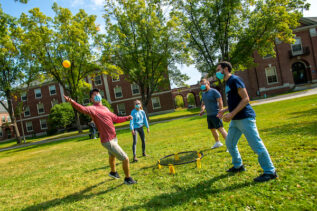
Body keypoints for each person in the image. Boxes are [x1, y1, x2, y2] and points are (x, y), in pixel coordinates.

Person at [216, 61, 277, 182]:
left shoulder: (235, 79)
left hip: (245, 117)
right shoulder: (228, 82)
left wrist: (232, 114)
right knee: (230, 143)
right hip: (236, 119)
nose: (217, 73)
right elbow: (235, 101)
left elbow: (245, 99)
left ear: (226, 69)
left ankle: (270, 171)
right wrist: (225, 109)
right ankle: (238, 166)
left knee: (256, 145)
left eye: (219, 70)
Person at [64, 88, 137, 185]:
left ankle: (113, 172)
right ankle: (128, 179)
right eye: (94, 94)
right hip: (107, 140)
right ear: (91, 99)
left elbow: (115, 118)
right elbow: (82, 108)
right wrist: (71, 101)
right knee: (125, 159)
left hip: (113, 137)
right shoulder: (92, 108)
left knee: (112, 156)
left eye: (98, 93)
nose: (97, 95)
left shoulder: (105, 108)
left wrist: (126, 118)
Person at [199, 78, 227, 149]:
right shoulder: (203, 94)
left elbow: (220, 101)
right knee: (212, 129)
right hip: (209, 115)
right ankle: (218, 143)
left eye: (203, 84)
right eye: (201, 85)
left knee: (221, 129)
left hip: (216, 114)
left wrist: (221, 111)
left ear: (208, 83)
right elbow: (203, 104)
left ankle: (230, 145)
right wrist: (202, 110)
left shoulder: (214, 91)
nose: (202, 86)